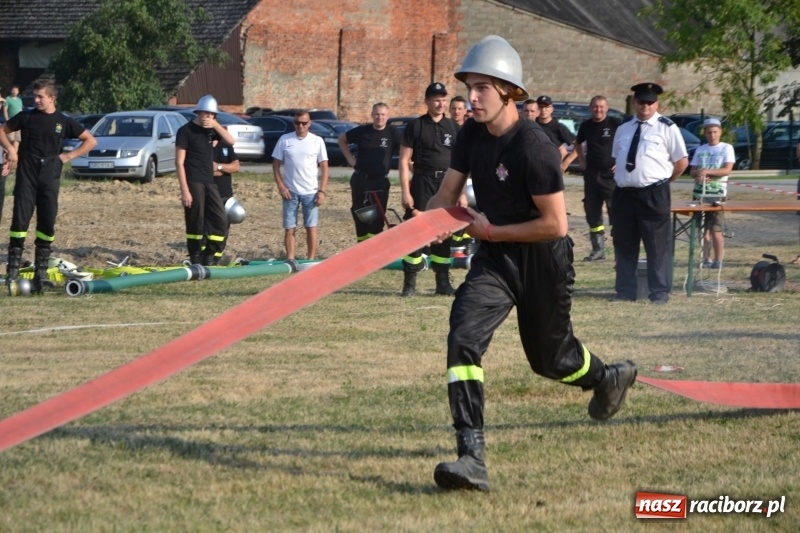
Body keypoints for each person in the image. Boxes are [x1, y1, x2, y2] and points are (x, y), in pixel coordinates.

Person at [425, 35, 637, 492]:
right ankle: (471, 455)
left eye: (482, 88)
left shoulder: (535, 147)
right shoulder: (471, 136)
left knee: (551, 360)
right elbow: (445, 196)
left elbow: (555, 225)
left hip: (543, 260)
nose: (471, 98)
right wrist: (413, 231)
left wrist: (490, 232)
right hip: (497, 260)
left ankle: (607, 377)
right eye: (469, 88)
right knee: (463, 336)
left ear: (510, 92)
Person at [0, 79, 97, 293]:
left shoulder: (64, 121)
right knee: (19, 221)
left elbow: (90, 140)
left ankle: (40, 275)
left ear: (52, 98)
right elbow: (1, 130)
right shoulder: (27, 117)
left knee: (47, 223)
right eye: (35, 96)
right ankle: (13, 272)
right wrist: (11, 150)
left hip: (50, 174)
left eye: (40, 97)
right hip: (27, 174)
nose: (36, 100)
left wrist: (68, 156)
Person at [611, 83, 688, 304]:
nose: (645, 106)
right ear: (634, 102)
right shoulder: (624, 127)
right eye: (641, 101)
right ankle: (625, 292)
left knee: (657, 246)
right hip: (624, 194)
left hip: (653, 194)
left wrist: (664, 181)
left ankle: (659, 293)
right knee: (624, 244)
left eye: (649, 102)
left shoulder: (667, 127)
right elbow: (618, 157)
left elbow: (681, 161)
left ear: (657, 104)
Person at [398, 81, 460, 296]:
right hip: (422, 183)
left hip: (446, 185)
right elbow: (404, 161)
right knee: (416, 230)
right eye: (436, 99)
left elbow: (461, 164)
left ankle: (442, 283)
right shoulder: (415, 126)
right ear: (427, 101)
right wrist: (405, 191)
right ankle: (410, 282)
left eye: (444, 99)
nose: (440, 103)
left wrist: (459, 192)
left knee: (444, 231)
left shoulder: (453, 127)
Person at [175, 94, 236, 266]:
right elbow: (179, 162)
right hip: (193, 181)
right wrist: (185, 190)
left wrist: (216, 125)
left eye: (212, 115)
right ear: (198, 113)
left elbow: (231, 141)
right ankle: (195, 257)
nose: (208, 117)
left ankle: (210, 254)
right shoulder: (185, 131)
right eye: (205, 114)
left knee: (220, 219)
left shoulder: (212, 131)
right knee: (196, 220)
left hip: (209, 181)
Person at [338, 102, 400, 242]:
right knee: (360, 215)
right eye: (377, 114)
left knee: (377, 218)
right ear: (372, 115)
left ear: (388, 116)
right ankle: (361, 246)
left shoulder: (392, 132)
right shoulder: (363, 131)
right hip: (361, 179)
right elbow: (342, 139)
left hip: (380, 181)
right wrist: (350, 158)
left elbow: (406, 149)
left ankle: (373, 249)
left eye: (383, 114)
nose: (380, 117)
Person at [272, 110, 329, 260]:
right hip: (290, 192)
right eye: (298, 123)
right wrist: (281, 186)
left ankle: (310, 259)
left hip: (311, 192)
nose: (301, 126)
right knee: (289, 228)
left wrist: (322, 191)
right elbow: (276, 165)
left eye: (304, 123)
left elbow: (324, 167)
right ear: (294, 123)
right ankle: (290, 259)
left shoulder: (317, 141)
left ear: (309, 123)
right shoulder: (285, 140)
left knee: (311, 227)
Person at [574, 95, 621, 261]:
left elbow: (626, 142)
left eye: (601, 106)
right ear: (590, 108)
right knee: (592, 212)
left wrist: (621, 160)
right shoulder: (586, 126)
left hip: (611, 176)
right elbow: (577, 143)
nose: (598, 109)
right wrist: (581, 160)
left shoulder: (616, 124)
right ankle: (599, 250)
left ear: (607, 108)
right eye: (595, 106)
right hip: (592, 175)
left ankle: (619, 250)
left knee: (615, 212)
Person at [689, 118, 735, 269]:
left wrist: (707, 171)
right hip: (699, 193)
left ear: (720, 132)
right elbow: (692, 171)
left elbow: (727, 169)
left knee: (716, 229)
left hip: (717, 194)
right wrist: (698, 174)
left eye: (715, 132)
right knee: (703, 230)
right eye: (709, 132)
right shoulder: (700, 149)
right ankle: (706, 258)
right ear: (705, 133)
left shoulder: (726, 148)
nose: (712, 135)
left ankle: (718, 260)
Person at [206, 138, 240, 255]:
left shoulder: (225, 145)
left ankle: (217, 257)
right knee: (207, 228)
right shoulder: (202, 144)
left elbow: (236, 167)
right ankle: (205, 257)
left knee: (223, 228)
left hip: (224, 193)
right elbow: (200, 170)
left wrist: (219, 167)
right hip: (206, 193)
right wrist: (224, 169)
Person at [536, 95, 577, 171]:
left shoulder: (559, 127)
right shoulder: (533, 125)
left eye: (546, 107)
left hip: (552, 168)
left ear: (552, 109)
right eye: (541, 107)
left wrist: (565, 163)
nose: (543, 110)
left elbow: (578, 146)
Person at [4, 86, 24, 152]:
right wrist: (7, 120)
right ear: (11, 91)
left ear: (18, 92)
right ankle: (9, 153)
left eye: (15, 90)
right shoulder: (8, 99)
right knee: (10, 138)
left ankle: (15, 154)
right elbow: (5, 110)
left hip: (19, 122)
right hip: (11, 120)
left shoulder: (19, 100)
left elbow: (21, 110)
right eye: (13, 90)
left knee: (17, 139)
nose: (14, 91)